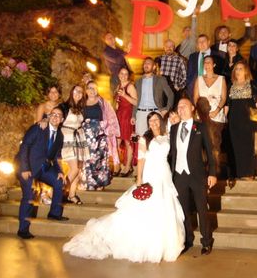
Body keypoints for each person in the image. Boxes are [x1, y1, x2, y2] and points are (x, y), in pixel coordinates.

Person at [63, 112, 185, 262]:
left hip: (164, 174)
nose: (153, 123)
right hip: (151, 174)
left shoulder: (167, 136)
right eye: (150, 120)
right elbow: (141, 159)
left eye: (155, 120)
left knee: (164, 205)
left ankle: (165, 242)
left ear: (160, 121)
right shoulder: (144, 139)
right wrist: (139, 178)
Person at [169, 98, 217, 255]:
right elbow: (172, 153)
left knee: (202, 209)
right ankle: (187, 239)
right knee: (183, 210)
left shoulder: (201, 127)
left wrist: (212, 173)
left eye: (184, 106)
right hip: (179, 175)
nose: (181, 109)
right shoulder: (174, 128)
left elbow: (210, 152)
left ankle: (206, 242)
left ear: (192, 108)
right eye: (179, 107)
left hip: (197, 175)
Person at [15, 106, 69, 239]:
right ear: (49, 116)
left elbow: (56, 156)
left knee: (59, 182)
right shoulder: (38, 128)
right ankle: (23, 229)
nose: (56, 117)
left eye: (59, 115)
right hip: (27, 167)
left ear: (62, 120)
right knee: (29, 196)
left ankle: (54, 213)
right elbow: (24, 147)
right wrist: (25, 168)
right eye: (53, 114)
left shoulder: (60, 135)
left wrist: (59, 171)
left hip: (42, 168)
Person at [226, 60, 257, 179]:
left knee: (247, 146)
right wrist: (224, 118)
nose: (238, 71)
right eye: (236, 69)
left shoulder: (251, 84)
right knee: (235, 145)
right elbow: (227, 104)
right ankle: (237, 172)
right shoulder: (231, 85)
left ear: (246, 71)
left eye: (240, 69)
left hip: (247, 120)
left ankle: (248, 172)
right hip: (234, 119)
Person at [82, 81, 119, 190]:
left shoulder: (102, 102)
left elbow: (111, 116)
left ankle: (100, 183)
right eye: (89, 88)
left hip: (100, 134)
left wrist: (110, 129)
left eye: (94, 88)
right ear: (86, 90)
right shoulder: (82, 102)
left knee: (101, 159)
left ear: (97, 90)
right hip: (86, 135)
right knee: (88, 159)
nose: (92, 90)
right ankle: (90, 183)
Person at [193, 55, 227, 172]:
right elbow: (196, 98)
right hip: (202, 116)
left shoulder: (221, 79)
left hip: (216, 116)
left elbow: (223, 98)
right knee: (201, 144)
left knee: (214, 144)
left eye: (209, 62)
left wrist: (217, 110)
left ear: (214, 65)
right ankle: (204, 171)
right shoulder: (199, 79)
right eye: (205, 63)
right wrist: (201, 113)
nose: (207, 65)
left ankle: (215, 171)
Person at [59, 85, 89, 205]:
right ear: (71, 92)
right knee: (74, 168)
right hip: (68, 138)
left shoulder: (81, 107)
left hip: (79, 137)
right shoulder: (64, 106)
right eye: (76, 91)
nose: (78, 93)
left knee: (79, 169)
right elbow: (55, 116)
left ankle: (72, 195)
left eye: (81, 92)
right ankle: (59, 191)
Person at [133, 57, 174, 136]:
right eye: (145, 63)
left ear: (154, 67)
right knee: (141, 139)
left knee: (157, 137)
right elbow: (135, 99)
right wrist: (133, 115)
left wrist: (166, 109)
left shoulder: (160, 79)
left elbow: (170, 94)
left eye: (148, 63)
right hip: (140, 113)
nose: (146, 65)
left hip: (156, 112)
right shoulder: (137, 81)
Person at [114, 67, 137, 177]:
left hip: (127, 116)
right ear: (118, 75)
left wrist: (125, 95)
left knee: (128, 142)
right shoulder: (118, 86)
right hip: (119, 115)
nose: (123, 75)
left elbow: (136, 102)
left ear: (128, 76)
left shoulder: (130, 86)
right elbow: (118, 102)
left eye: (126, 73)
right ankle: (118, 166)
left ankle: (128, 167)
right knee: (116, 143)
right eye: (121, 73)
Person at [186, 34, 224, 99]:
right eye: (199, 42)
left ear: (208, 42)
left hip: (212, 87)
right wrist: (189, 85)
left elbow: (220, 72)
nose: (202, 43)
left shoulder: (217, 55)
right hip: (195, 88)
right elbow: (189, 73)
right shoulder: (192, 56)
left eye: (204, 41)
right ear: (197, 45)